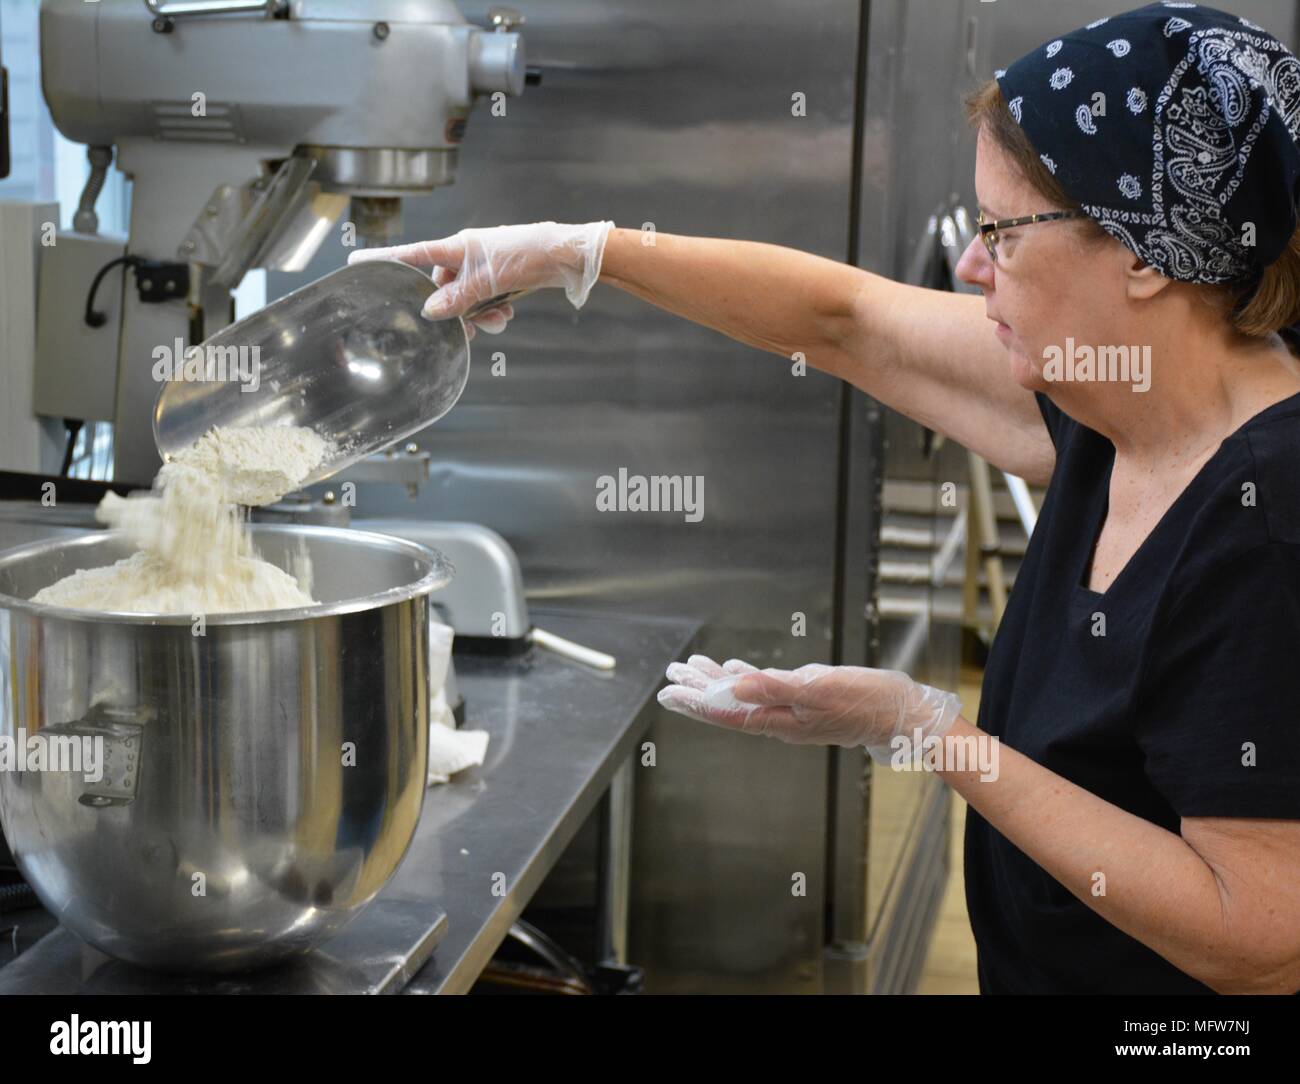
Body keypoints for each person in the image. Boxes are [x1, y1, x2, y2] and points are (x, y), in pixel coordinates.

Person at [350, 3, 1300, 994]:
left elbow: (1257, 934)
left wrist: (930, 732)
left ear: (1144, 255)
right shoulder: (1113, 393)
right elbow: (847, 323)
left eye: (1001, 234)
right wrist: (579, 251)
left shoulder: (1264, 519)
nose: (970, 268)